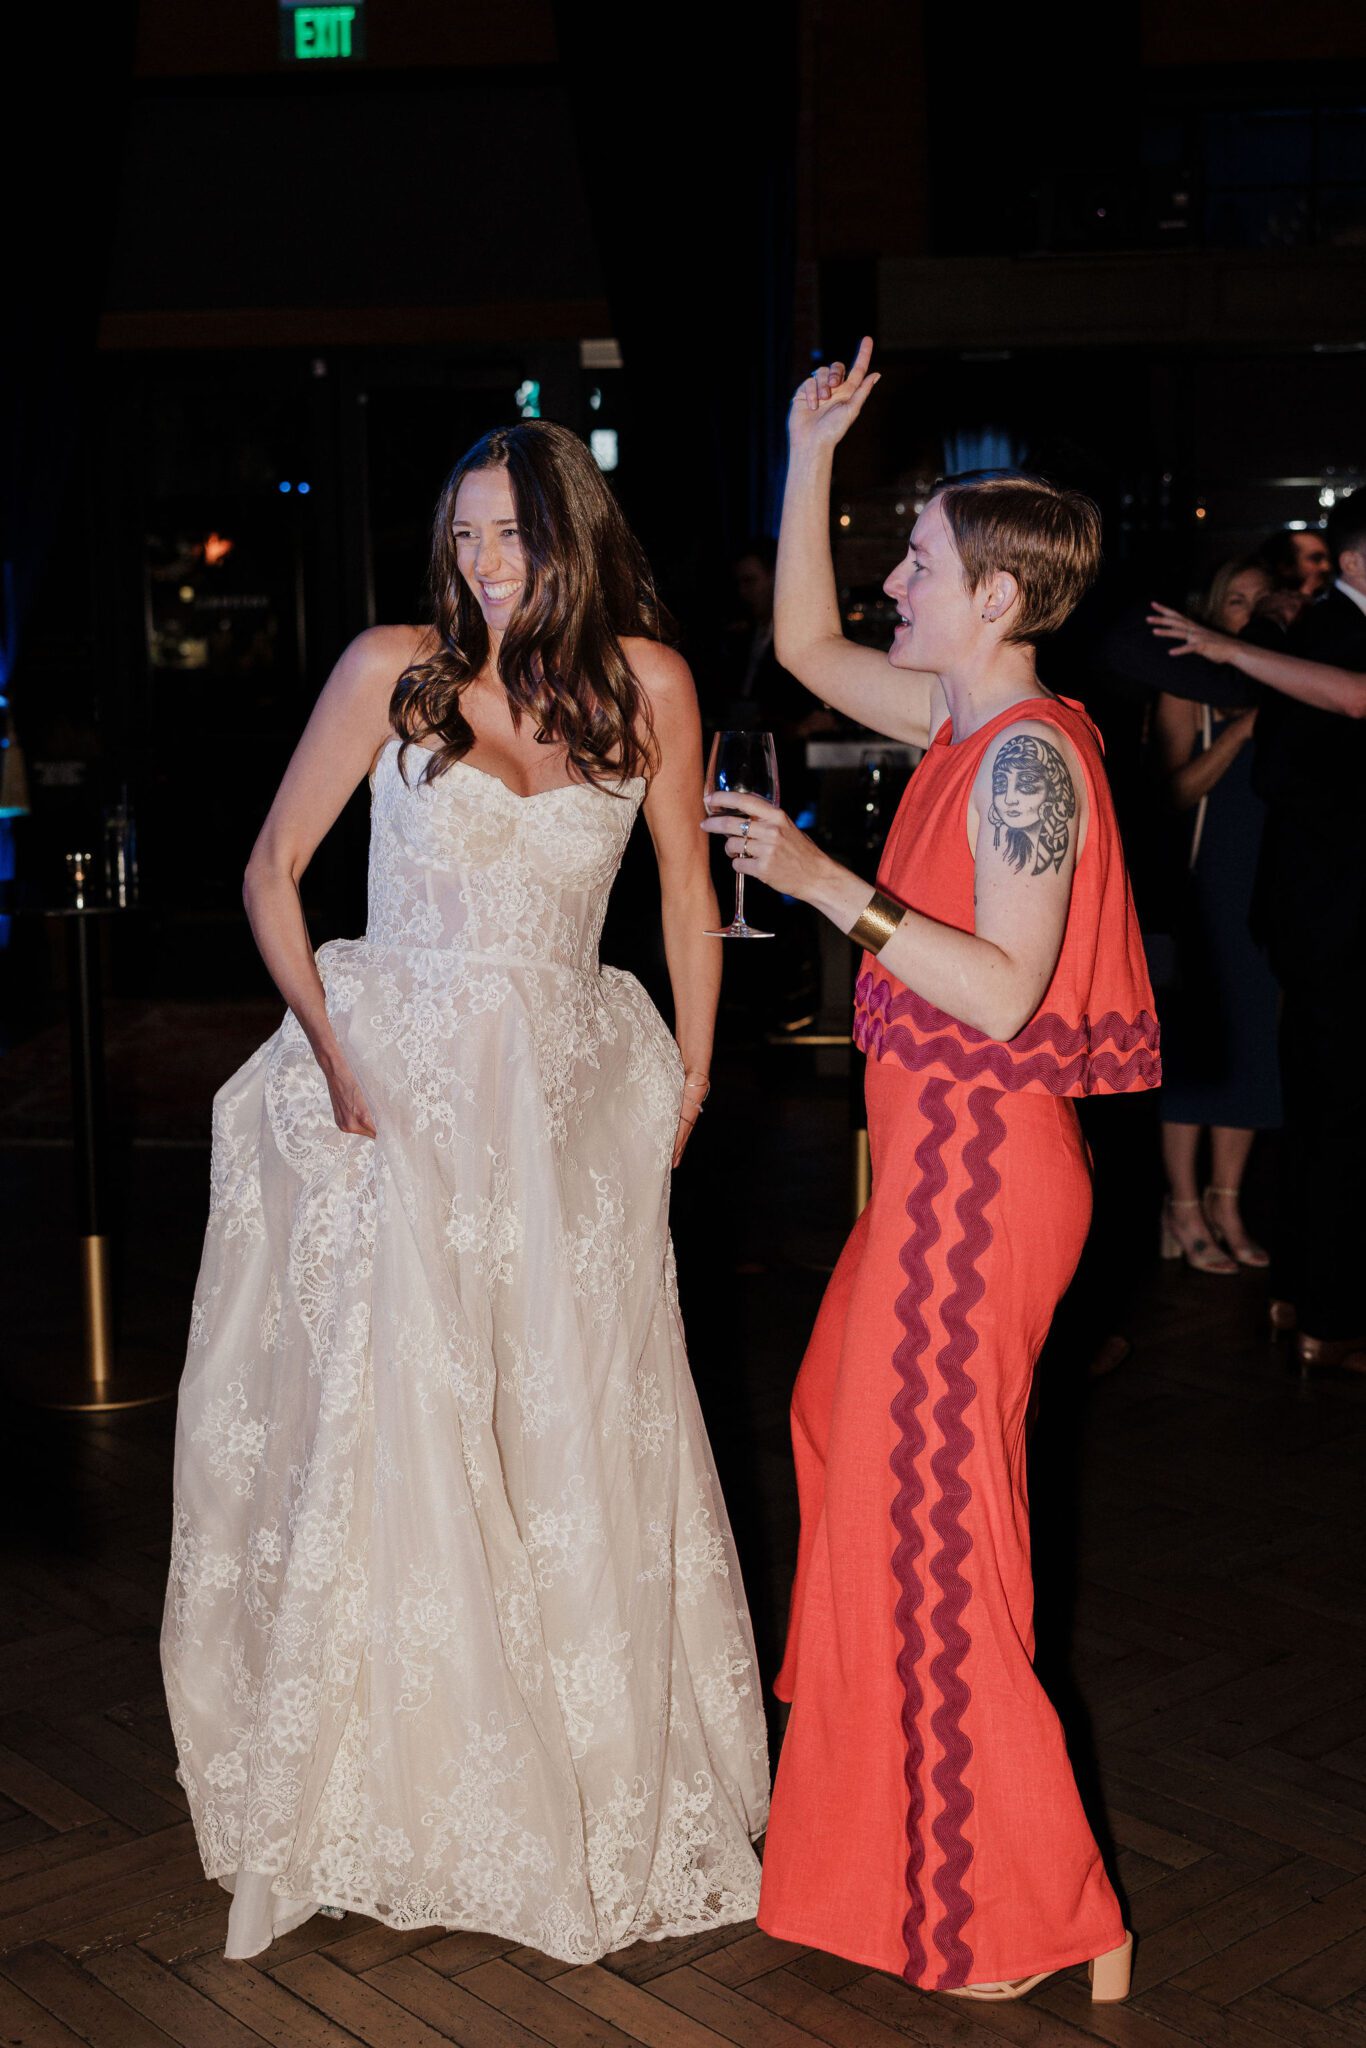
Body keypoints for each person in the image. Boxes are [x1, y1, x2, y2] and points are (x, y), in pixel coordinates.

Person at [161, 421, 770, 1961]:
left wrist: (694, 1070)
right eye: (468, 537)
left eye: (515, 536)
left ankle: (571, 1767)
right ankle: (389, 1785)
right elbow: (269, 872)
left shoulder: (654, 685)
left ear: (576, 532)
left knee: (559, 1418)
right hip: (398, 1100)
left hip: (565, 1103)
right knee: (397, 1424)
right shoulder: (394, 670)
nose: (489, 566)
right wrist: (332, 1051)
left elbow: (689, 897)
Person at [710, 341, 1156, 2003]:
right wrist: (802, 447)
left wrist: (826, 881)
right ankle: (916, 1854)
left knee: (927, 1533)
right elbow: (802, 638)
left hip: (978, 1185)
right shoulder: (963, 709)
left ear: (989, 594)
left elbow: (1007, 986)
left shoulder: (1031, 755)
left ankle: (1043, 1909)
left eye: (916, 561)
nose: (890, 579)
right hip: (932, 1181)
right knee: (848, 1440)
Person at [1149, 492, 1366, 1373]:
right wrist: (1222, 645)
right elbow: (1354, 704)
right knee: (1342, 1113)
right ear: (1359, 560)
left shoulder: (1320, 631)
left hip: (1321, 909)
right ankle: (1332, 1312)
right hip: (1335, 912)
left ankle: (1306, 1294)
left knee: (1321, 1109)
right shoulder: (1328, 633)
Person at [1153, 558, 1280, 1272]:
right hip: (1204, 897)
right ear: (1212, 613)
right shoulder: (1186, 694)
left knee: (1254, 1058)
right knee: (1193, 1060)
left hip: (1269, 898)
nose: (1252, 612)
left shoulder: (1291, 689)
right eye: (1238, 600)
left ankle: (1228, 1202)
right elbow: (1170, 796)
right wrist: (1238, 734)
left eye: (1264, 601)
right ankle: (1183, 1208)